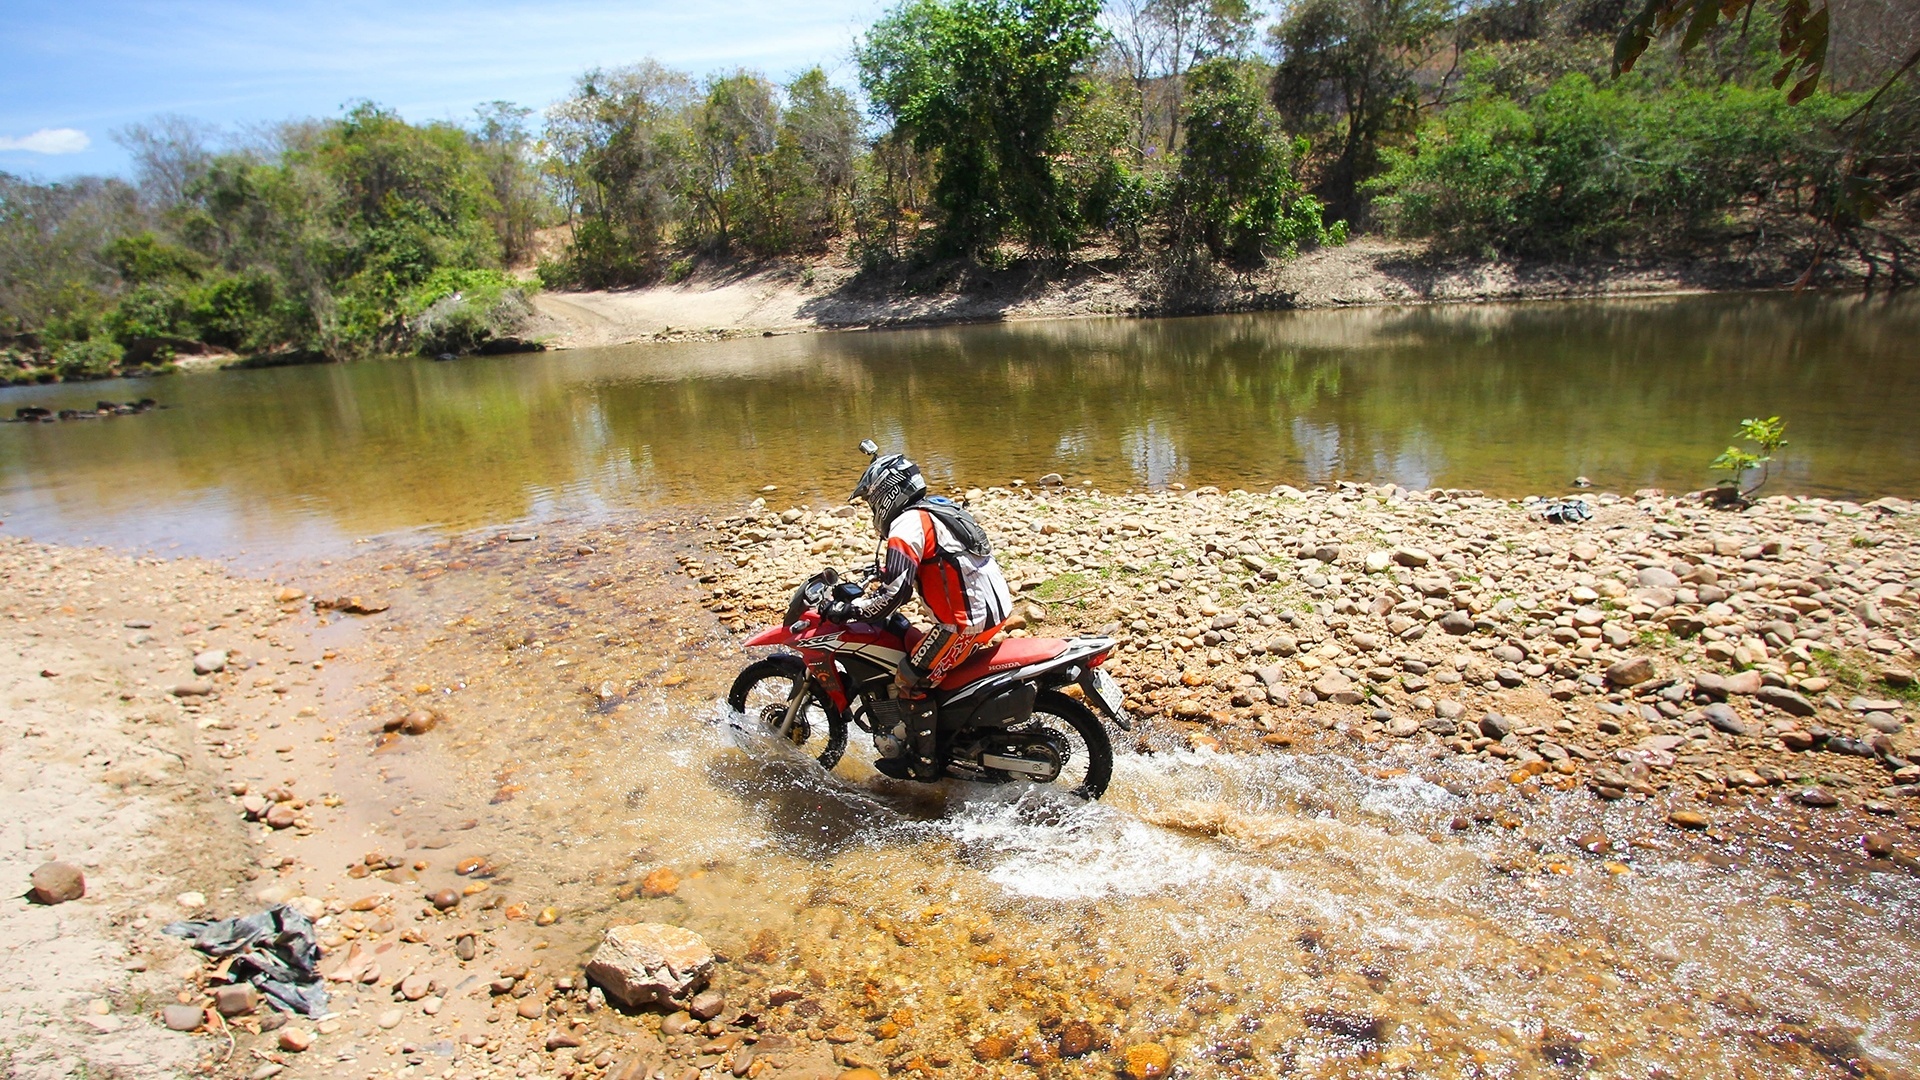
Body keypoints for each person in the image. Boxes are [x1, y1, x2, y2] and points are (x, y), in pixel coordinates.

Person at [829, 441, 1012, 780]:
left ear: (886, 494)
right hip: (989, 609)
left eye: (872, 503)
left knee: (910, 680)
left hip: (962, 625)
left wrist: (851, 611)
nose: (873, 513)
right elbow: (935, 562)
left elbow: (894, 595)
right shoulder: (935, 509)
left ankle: (923, 765)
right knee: (907, 639)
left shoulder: (905, 526)